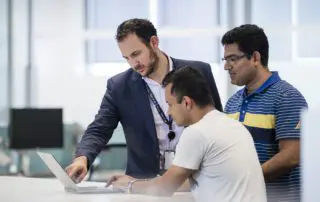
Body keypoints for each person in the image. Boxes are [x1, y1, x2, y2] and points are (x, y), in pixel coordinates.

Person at [66, 18, 222, 181]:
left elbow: (216, 120)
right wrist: (82, 158)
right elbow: (99, 128)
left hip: (196, 178)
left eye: (136, 54)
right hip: (144, 182)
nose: (133, 63)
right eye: (126, 58)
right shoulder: (119, 87)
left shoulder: (199, 72)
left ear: (154, 42)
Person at [108, 66, 267, 202]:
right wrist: (137, 182)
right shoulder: (232, 126)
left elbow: (165, 188)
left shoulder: (197, 132)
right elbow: (182, 182)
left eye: (170, 105)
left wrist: (129, 186)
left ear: (186, 102)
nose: (169, 112)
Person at [221, 24, 308, 202]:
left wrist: (247, 180)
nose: (226, 67)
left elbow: (291, 156)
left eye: (232, 59)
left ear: (255, 57)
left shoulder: (287, 97)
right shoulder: (232, 103)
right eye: (225, 60)